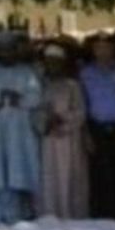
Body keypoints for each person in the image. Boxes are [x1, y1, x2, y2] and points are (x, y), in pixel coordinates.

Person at [0, 30, 42, 223]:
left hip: (22, 134)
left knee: (23, 173)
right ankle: (6, 219)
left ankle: (27, 216)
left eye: (9, 50)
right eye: (2, 50)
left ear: (15, 51)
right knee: (2, 174)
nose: (6, 54)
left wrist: (18, 98)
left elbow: (36, 97)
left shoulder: (27, 72)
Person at [79, 33, 115, 226]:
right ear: (93, 51)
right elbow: (82, 105)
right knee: (100, 175)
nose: (103, 52)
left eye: (107, 47)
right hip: (97, 129)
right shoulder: (85, 74)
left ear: (113, 49)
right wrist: (86, 134)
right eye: (99, 48)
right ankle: (103, 217)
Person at [38, 43, 89, 220]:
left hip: (69, 141)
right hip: (46, 142)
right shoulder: (39, 85)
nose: (52, 65)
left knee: (69, 178)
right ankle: (49, 215)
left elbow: (81, 112)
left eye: (56, 62)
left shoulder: (72, 86)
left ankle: (71, 215)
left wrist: (62, 120)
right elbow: (33, 111)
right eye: (49, 62)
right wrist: (45, 122)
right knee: (49, 179)